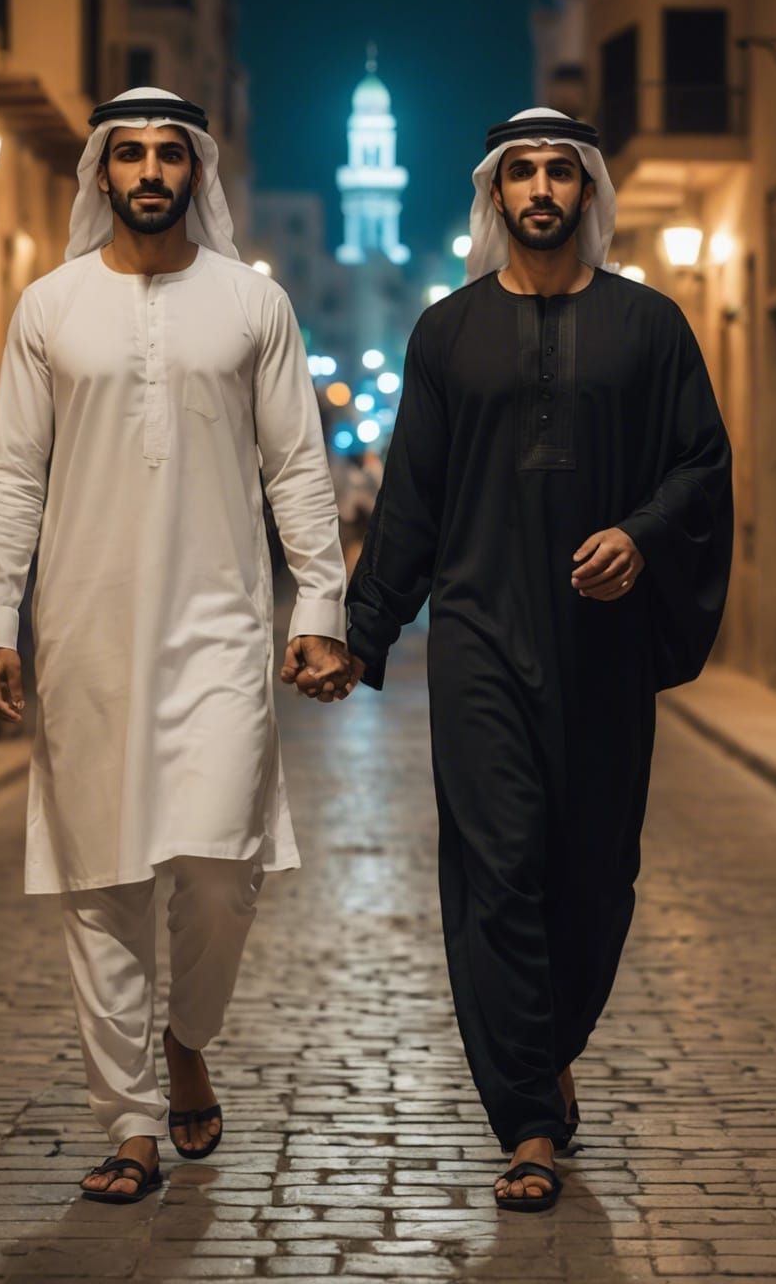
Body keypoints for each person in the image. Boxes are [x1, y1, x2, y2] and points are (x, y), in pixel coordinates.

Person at [300, 107, 732, 1212]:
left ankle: (547, 1050)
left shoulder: (651, 327)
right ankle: (528, 1118)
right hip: (482, 639)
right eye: (522, 173)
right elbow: (413, 504)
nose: (541, 190)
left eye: (561, 172)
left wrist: (639, 536)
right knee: (496, 871)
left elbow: (700, 463)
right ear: (499, 193)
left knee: (594, 874)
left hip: (602, 646)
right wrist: (365, 630)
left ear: (588, 190)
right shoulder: (446, 334)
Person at [0, 87, 355, 1205]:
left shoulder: (249, 306)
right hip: (84, 630)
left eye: (167, 155)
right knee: (104, 880)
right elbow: (12, 475)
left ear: (196, 173)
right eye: (127, 153)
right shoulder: (48, 307)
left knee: (225, 872)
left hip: (221, 628)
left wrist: (317, 608)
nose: (148, 171)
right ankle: (129, 1121)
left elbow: (296, 467)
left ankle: (189, 1034)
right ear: (99, 173)